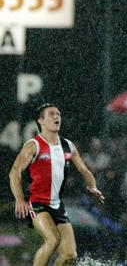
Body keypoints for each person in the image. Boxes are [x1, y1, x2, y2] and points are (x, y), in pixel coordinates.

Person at [8, 103, 105, 266]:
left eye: (58, 114)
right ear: (41, 121)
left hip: (57, 206)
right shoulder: (34, 145)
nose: (56, 117)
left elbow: (85, 171)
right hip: (36, 203)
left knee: (70, 254)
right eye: (52, 114)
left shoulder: (68, 146)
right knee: (52, 240)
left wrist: (92, 187)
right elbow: (14, 171)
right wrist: (19, 199)